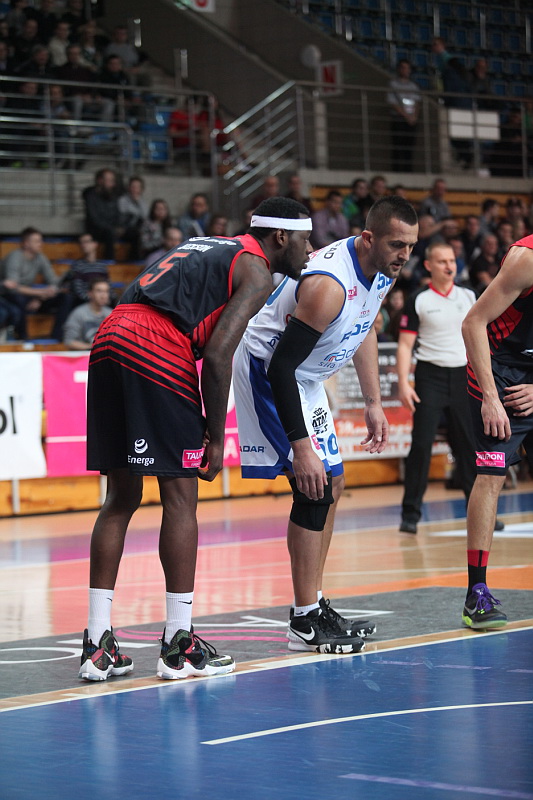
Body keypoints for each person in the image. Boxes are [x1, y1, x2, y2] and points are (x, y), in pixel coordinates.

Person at [79, 196, 313, 682]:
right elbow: (220, 353)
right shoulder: (257, 271)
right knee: (181, 498)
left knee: (120, 497)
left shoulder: (207, 243)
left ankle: (97, 644)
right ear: (281, 237)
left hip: (110, 335)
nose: (310, 250)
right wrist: (215, 437)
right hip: (157, 345)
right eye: (305, 240)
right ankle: (178, 644)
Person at [233, 196, 419, 654]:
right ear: (369, 238)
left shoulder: (382, 269)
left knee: (333, 484)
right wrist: (302, 447)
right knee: (312, 486)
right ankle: (303, 621)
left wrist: (374, 402)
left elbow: (365, 326)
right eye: (397, 244)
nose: (404, 255)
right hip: (268, 370)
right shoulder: (328, 286)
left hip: (306, 376)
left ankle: (313, 604)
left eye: (411, 246)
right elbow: (280, 368)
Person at [460, 233, 533, 629]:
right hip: (497, 370)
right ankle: (477, 593)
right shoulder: (526, 259)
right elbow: (473, 322)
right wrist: (490, 396)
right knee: (491, 475)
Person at [397, 242, 479, 534]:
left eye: (452, 260)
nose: (449, 266)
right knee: (421, 445)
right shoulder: (418, 299)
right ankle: (410, 515)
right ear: (429, 265)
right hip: (429, 376)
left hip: (463, 376)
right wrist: (404, 382)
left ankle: (480, 514)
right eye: (442, 261)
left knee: (468, 446)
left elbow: (482, 337)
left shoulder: (469, 295)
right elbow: (405, 345)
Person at [2, 226, 61, 339]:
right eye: (37, 241)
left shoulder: (40, 257)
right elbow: (12, 287)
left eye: (41, 241)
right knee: (18, 299)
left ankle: (57, 337)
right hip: (8, 296)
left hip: (30, 295)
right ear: (26, 243)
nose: (41, 244)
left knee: (64, 298)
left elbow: (54, 281)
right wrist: (41, 293)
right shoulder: (15, 257)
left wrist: (39, 298)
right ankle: (23, 338)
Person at [387, 59, 421, 173]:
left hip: (411, 120)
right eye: (403, 68)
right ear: (399, 69)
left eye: (407, 68)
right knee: (398, 145)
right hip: (399, 119)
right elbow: (393, 103)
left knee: (409, 146)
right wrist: (406, 115)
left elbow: (416, 103)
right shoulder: (393, 84)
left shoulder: (413, 86)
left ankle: (408, 170)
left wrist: (414, 116)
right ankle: (396, 170)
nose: (405, 70)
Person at [82, 168, 123, 260]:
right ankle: (110, 261)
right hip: (96, 231)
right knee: (110, 233)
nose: (113, 184)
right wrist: (111, 228)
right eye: (109, 180)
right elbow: (94, 219)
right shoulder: (90, 196)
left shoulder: (113, 196)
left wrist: (119, 226)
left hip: (111, 229)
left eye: (113, 181)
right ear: (100, 181)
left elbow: (117, 215)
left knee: (134, 233)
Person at [63, 278, 112, 349]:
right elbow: (69, 342)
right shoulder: (78, 313)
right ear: (90, 293)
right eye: (99, 291)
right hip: (84, 354)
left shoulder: (112, 314)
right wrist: (93, 347)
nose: (103, 295)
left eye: (106, 291)